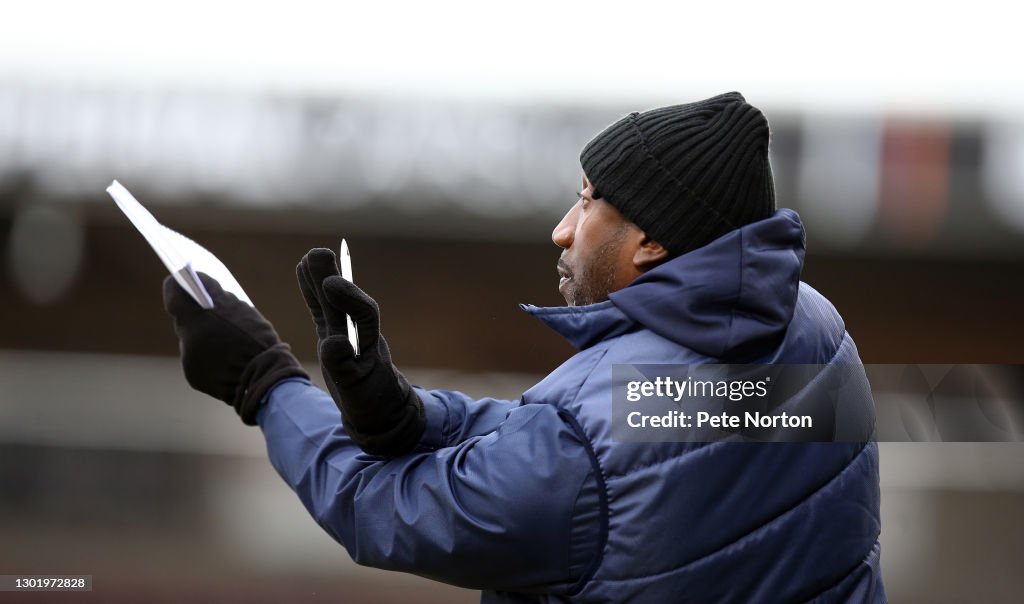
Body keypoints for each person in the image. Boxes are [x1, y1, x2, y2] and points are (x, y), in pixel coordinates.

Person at [163, 92, 886, 603]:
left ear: (654, 241)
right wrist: (414, 418)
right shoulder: (815, 335)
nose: (562, 229)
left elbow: (376, 507)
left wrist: (264, 380)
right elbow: (639, 435)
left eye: (588, 200)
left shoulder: (585, 445)